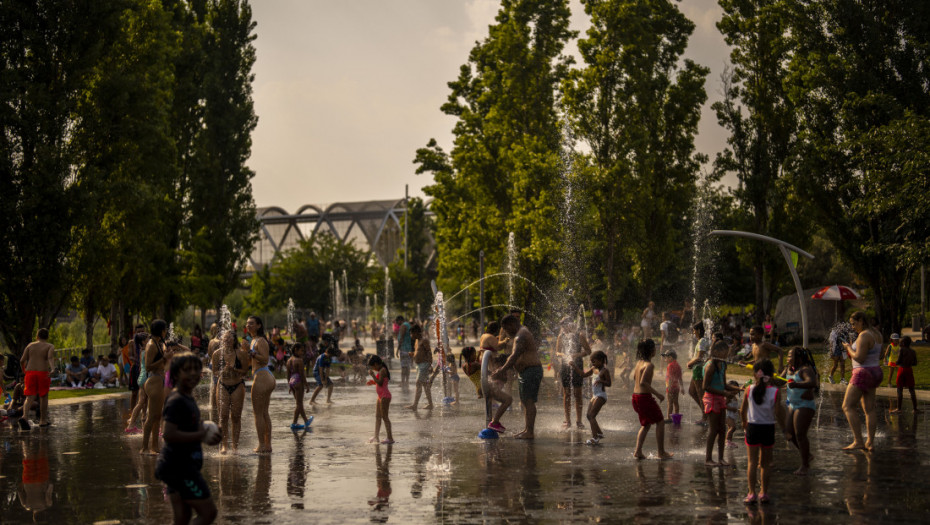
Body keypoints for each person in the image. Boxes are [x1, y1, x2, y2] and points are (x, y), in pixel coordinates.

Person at [155, 352, 221, 525]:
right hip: (180, 468)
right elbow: (168, 434)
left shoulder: (187, 398)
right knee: (208, 513)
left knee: (182, 518)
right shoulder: (176, 400)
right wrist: (201, 435)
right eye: (187, 370)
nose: (193, 373)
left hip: (179, 466)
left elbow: (189, 428)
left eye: (196, 369)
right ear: (176, 374)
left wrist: (209, 436)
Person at [740, 359, 786, 504]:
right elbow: (778, 413)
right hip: (768, 428)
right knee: (765, 464)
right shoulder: (775, 391)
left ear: (755, 374)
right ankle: (764, 493)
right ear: (771, 374)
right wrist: (785, 429)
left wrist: (744, 422)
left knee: (752, 462)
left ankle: (751, 493)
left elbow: (743, 410)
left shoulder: (749, 389)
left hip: (753, 427)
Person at [492, 315, 542, 439]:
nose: (506, 332)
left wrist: (502, 370)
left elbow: (514, 355)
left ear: (511, 325)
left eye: (506, 329)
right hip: (526, 372)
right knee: (525, 401)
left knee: (529, 401)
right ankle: (527, 430)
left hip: (531, 371)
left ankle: (529, 432)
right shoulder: (520, 333)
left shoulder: (521, 335)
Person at [841, 311, 883, 452]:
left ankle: (858, 441)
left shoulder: (864, 335)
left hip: (862, 373)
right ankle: (870, 442)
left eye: (854, 324)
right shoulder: (877, 334)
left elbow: (859, 358)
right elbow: (881, 354)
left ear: (861, 321)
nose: (853, 327)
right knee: (869, 409)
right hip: (875, 371)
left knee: (847, 406)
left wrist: (848, 348)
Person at [141, 321, 183, 455]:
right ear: (160, 330)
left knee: (157, 416)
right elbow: (148, 366)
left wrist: (167, 356)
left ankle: (155, 446)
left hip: (159, 379)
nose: (166, 331)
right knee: (151, 416)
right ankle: (144, 448)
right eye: (165, 329)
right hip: (153, 380)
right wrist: (164, 358)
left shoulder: (159, 343)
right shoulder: (151, 345)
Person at [631, 339, 672, 459]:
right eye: (654, 348)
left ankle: (638, 451)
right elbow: (643, 382)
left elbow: (635, 377)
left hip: (635, 397)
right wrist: (658, 394)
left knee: (646, 424)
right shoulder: (649, 365)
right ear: (651, 350)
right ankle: (661, 452)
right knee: (660, 421)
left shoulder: (639, 363)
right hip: (644, 398)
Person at [782, 346, 819, 476]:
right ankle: (807, 455)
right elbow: (777, 381)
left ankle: (805, 465)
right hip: (792, 404)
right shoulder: (788, 369)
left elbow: (812, 382)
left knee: (800, 434)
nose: (788, 358)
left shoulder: (805, 370)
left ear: (799, 358)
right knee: (788, 434)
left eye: (790, 356)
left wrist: (797, 384)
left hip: (805, 405)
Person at [211, 329, 249, 454]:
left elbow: (245, 372)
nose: (226, 340)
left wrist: (234, 369)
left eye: (229, 338)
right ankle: (224, 446)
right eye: (224, 338)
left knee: (236, 417)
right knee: (223, 417)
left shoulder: (241, 354)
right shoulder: (217, 354)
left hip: (237, 385)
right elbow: (214, 372)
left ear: (234, 340)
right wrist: (222, 372)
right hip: (223, 385)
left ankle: (235, 447)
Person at [703, 341, 740, 466]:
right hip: (711, 399)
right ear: (716, 352)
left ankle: (721, 458)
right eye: (725, 352)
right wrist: (724, 394)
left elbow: (724, 385)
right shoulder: (710, 366)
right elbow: (705, 386)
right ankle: (708, 459)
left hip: (719, 398)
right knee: (714, 430)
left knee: (722, 429)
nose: (727, 354)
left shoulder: (722, 364)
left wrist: (738, 389)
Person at [555, 316, 591, 430]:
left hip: (577, 366)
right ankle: (567, 421)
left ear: (571, 324)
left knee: (578, 393)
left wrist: (576, 355)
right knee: (566, 394)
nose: (564, 327)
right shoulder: (561, 336)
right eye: (562, 325)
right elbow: (557, 352)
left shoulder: (579, 336)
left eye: (565, 324)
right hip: (565, 366)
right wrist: (564, 355)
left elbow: (588, 351)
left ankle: (579, 421)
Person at [571, 350, 611, 445]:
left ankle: (595, 438)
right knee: (589, 416)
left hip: (601, 395)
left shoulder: (605, 371)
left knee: (592, 415)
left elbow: (609, 383)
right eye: (591, 361)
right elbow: (583, 374)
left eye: (594, 361)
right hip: (594, 396)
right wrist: (574, 366)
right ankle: (599, 433)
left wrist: (601, 381)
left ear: (601, 360)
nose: (592, 363)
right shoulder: (593, 368)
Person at [18, 328, 55, 430]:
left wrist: (24, 370)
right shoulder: (49, 346)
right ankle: (43, 420)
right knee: (43, 396)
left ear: (37, 336)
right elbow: (50, 358)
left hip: (30, 372)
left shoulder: (30, 345)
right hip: (43, 373)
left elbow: (22, 360)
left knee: (29, 397)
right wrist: (52, 369)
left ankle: (24, 417)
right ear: (47, 337)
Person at [480, 322, 513, 432]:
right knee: (508, 400)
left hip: (486, 375)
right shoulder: (490, 337)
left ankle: (490, 423)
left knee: (490, 400)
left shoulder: (484, 336)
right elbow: (498, 347)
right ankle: (494, 423)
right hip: (490, 377)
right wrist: (506, 340)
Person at [406, 325, 435, 409]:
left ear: (416, 332)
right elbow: (418, 352)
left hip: (424, 365)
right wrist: (413, 354)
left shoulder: (424, 340)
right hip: (419, 366)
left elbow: (429, 352)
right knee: (425, 385)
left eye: (411, 334)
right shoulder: (416, 341)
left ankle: (415, 405)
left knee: (418, 383)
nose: (411, 335)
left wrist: (430, 365)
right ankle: (430, 404)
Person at [367, 354, 394, 444]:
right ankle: (376, 436)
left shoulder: (382, 370)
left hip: (385, 396)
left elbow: (381, 383)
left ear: (376, 364)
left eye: (373, 367)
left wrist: (373, 376)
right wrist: (373, 382)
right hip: (380, 397)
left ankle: (390, 438)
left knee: (385, 417)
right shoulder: (381, 370)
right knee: (378, 417)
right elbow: (379, 382)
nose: (373, 369)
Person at [687, 322, 710, 425]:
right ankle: (706, 412)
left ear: (699, 330)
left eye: (694, 330)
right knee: (692, 391)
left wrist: (689, 363)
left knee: (701, 394)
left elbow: (700, 357)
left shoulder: (702, 341)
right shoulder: (702, 341)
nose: (693, 332)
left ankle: (705, 418)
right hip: (697, 369)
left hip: (699, 370)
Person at [891, 336, 919, 414]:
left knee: (899, 389)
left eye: (900, 342)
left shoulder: (902, 350)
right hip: (909, 370)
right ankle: (915, 409)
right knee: (911, 389)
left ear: (903, 343)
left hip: (902, 369)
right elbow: (915, 363)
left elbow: (899, 361)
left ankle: (899, 408)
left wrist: (895, 363)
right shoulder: (913, 351)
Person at [287, 343, 311, 430]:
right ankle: (294, 423)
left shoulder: (289, 360)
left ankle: (305, 420)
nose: (302, 352)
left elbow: (288, 375)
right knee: (299, 404)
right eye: (301, 350)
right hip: (298, 381)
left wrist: (290, 386)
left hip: (292, 382)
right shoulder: (299, 360)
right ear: (296, 350)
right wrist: (306, 385)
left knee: (299, 404)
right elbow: (302, 374)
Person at [309, 336, 336, 405]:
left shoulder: (329, 358)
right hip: (316, 372)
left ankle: (328, 400)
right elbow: (320, 369)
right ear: (326, 352)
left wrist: (326, 378)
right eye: (329, 355)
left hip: (322, 372)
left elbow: (327, 369)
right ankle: (311, 400)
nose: (329, 357)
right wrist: (322, 379)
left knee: (331, 385)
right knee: (320, 385)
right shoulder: (322, 357)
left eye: (330, 356)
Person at [663, 349, 682, 419]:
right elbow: (680, 377)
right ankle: (676, 416)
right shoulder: (678, 365)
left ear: (670, 358)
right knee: (676, 402)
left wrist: (669, 387)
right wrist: (682, 387)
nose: (665, 359)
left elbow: (670, 377)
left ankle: (669, 417)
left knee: (670, 402)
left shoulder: (670, 365)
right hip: (676, 387)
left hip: (670, 387)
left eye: (666, 357)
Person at [395, 316, 413, 387]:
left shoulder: (403, 326)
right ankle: (407, 381)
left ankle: (403, 382)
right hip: (408, 349)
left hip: (404, 349)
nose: (397, 324)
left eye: (397, 322)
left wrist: (397, 350)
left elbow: (401, 338)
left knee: (403, 367)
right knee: (407, 366)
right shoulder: (408, 325)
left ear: (400, 320)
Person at [725, 380, 741, 447]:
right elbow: (723, 405)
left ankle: (730, 441)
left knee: (730, 428)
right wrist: (732, 409)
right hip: (728, 415)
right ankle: (727, 441)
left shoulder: (734, 397)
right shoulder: (728, 397)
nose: (735, 391)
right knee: (733, 428)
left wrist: (738, 411)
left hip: (732, 415)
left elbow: (734, 406)